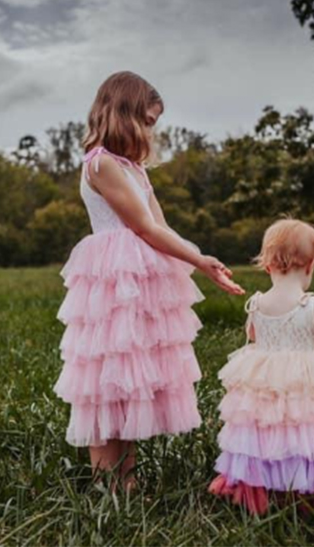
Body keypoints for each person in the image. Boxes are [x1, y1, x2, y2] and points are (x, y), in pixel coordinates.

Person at [54, 71, 244, 491]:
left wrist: (200, 260)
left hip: (140, 276)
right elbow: (142, 226)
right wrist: (198, 259)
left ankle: (128, 480)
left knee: (129, 374)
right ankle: (109, 483)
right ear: (123, 115)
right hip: (113, 276)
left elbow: (162, 225)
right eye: (148, 121)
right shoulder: (100, 163)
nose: (151, 131)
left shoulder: (135, 169)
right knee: (107, 379)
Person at [208, 219, 314, 515]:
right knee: (306, 434)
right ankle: (305, 489)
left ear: (267, 265)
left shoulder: (257, 304)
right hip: (304, 383)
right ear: (311, 266)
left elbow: (253, 336)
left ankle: (266, 485)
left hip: (266, 382)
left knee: (266, 433)